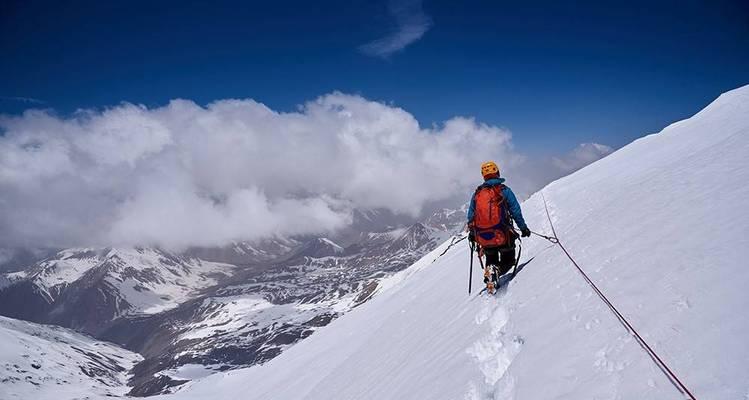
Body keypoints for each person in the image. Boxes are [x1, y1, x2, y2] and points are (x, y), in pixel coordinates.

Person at [467, 161, 530, 291]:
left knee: (491, 257)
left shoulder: (477, 194)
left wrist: (473, 233)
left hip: (484, 236)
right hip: (503, 233)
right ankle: (496, 272)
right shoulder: (504, 190)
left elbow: (470, 216)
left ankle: (491, 272)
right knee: (508, 260)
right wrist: (523, 228)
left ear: (484, 176)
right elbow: (515, 212)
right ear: (497, 173)